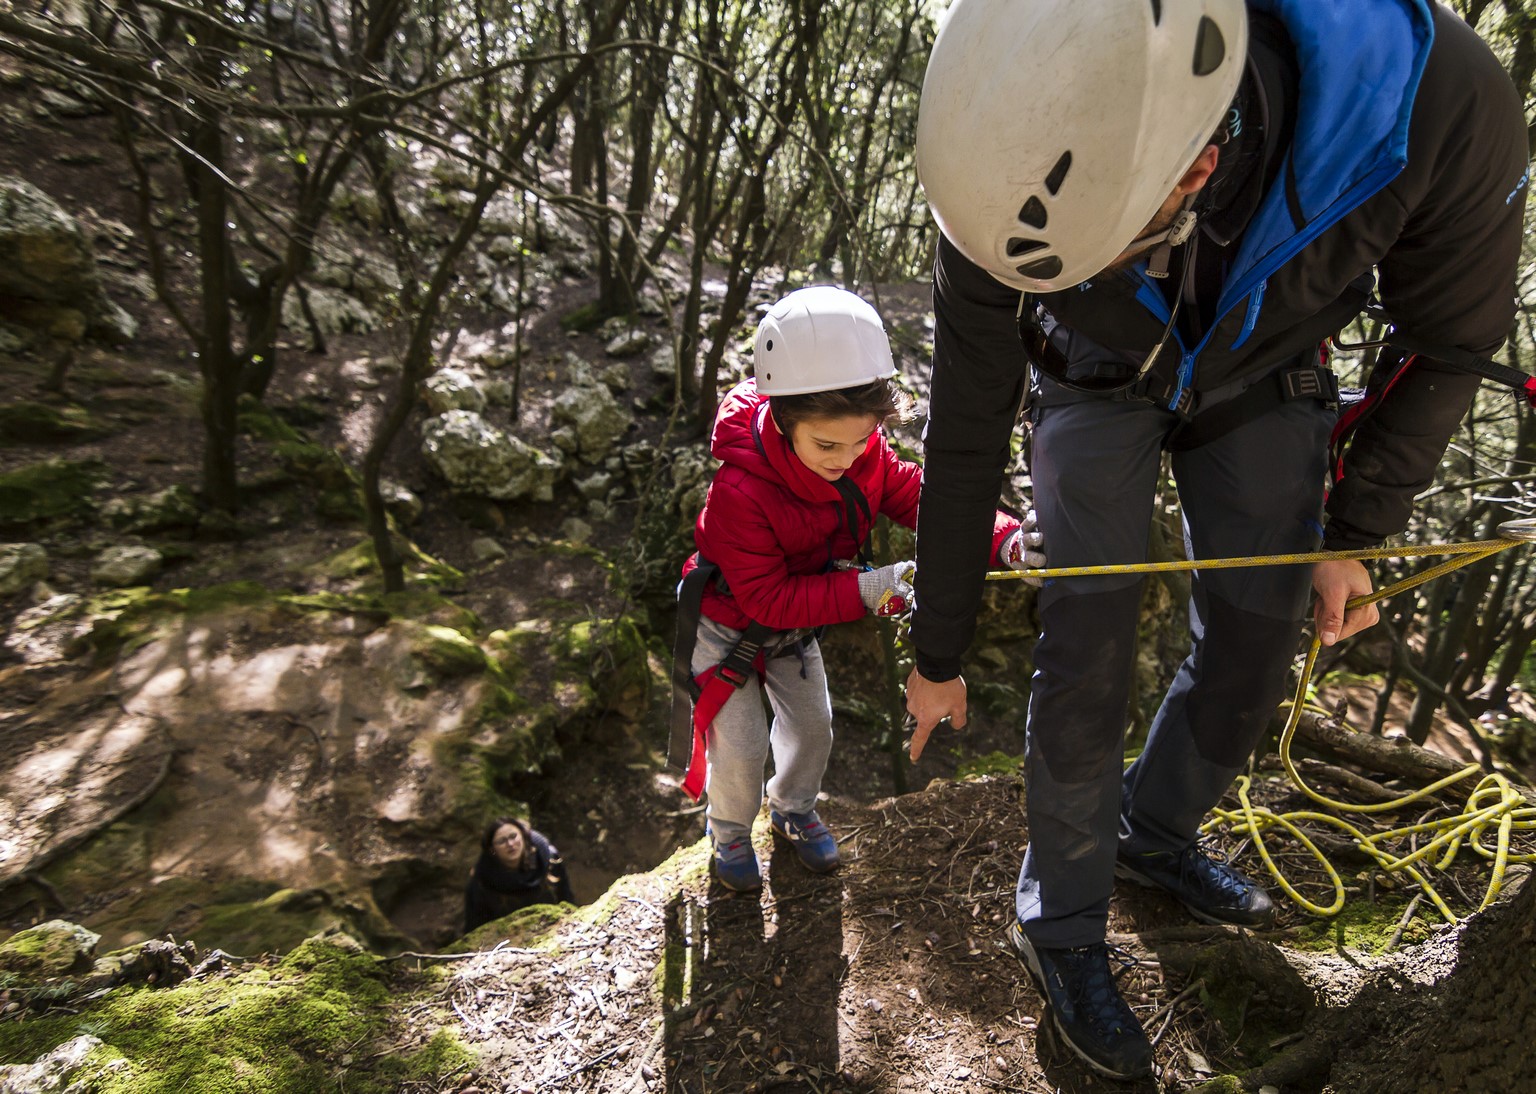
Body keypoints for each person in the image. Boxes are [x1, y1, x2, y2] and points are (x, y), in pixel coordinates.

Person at [904, 0, 1527, 1081]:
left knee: (1256, 629)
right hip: (1091, 373)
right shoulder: (998, 144)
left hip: (1263, 364)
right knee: (1085, 638)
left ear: (1194, 171)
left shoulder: (1433, 102)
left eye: (1113, 250)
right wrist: (938, 648)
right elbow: (963, 431)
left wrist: (1355, 530)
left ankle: (1158, 825)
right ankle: (1060, 923)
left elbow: (1452, 337)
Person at [668, 285, 1037, 892]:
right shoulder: (741, 491)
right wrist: (870, 589)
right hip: (727, 622)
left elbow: (927, 499)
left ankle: (791, 808)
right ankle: (730, 831)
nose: (846, 458)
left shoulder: (864, 457)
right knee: (740, 742)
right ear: (782, 419)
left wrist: (1003, 539)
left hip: (794, 625)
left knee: (814, 729)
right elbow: (766, 598)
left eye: (861, 439)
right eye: (827, 445)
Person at [462, 817, 575, 933]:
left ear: (523, 836)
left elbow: (567, 900)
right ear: (492, 849)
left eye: (513, 836)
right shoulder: (482, 881)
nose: (510, 844)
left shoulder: (549, 859)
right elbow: (475, 928)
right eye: (501, 841)